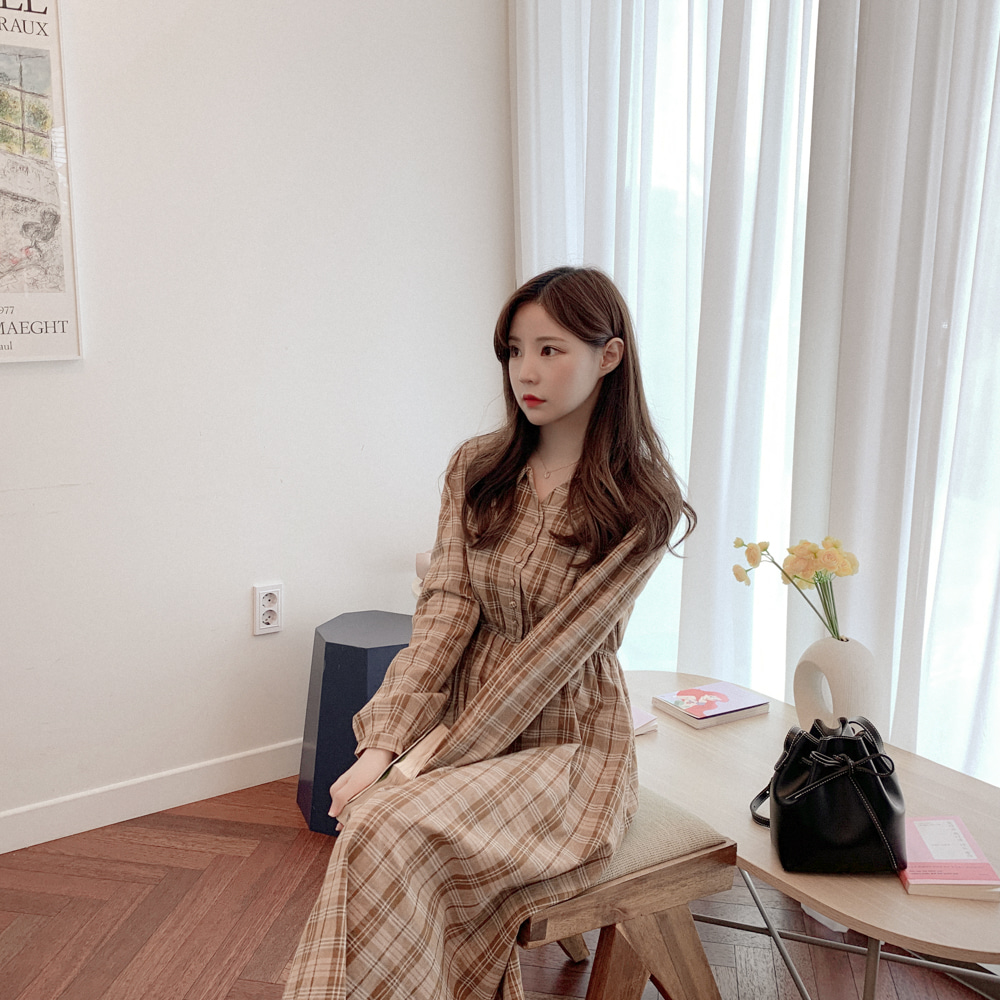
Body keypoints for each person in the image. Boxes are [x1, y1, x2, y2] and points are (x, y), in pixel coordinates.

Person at [283, 266, 695, 1000]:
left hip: (570, 751)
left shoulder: (642, 502)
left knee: (385, 824)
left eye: (550, 350)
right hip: (461, 718)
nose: (525, 372)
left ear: (609, 356)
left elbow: (548, 660)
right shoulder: (478, 468)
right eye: (513, 350)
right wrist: (383, 744)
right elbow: (444, 612)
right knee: (380, 824)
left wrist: (421, 766)